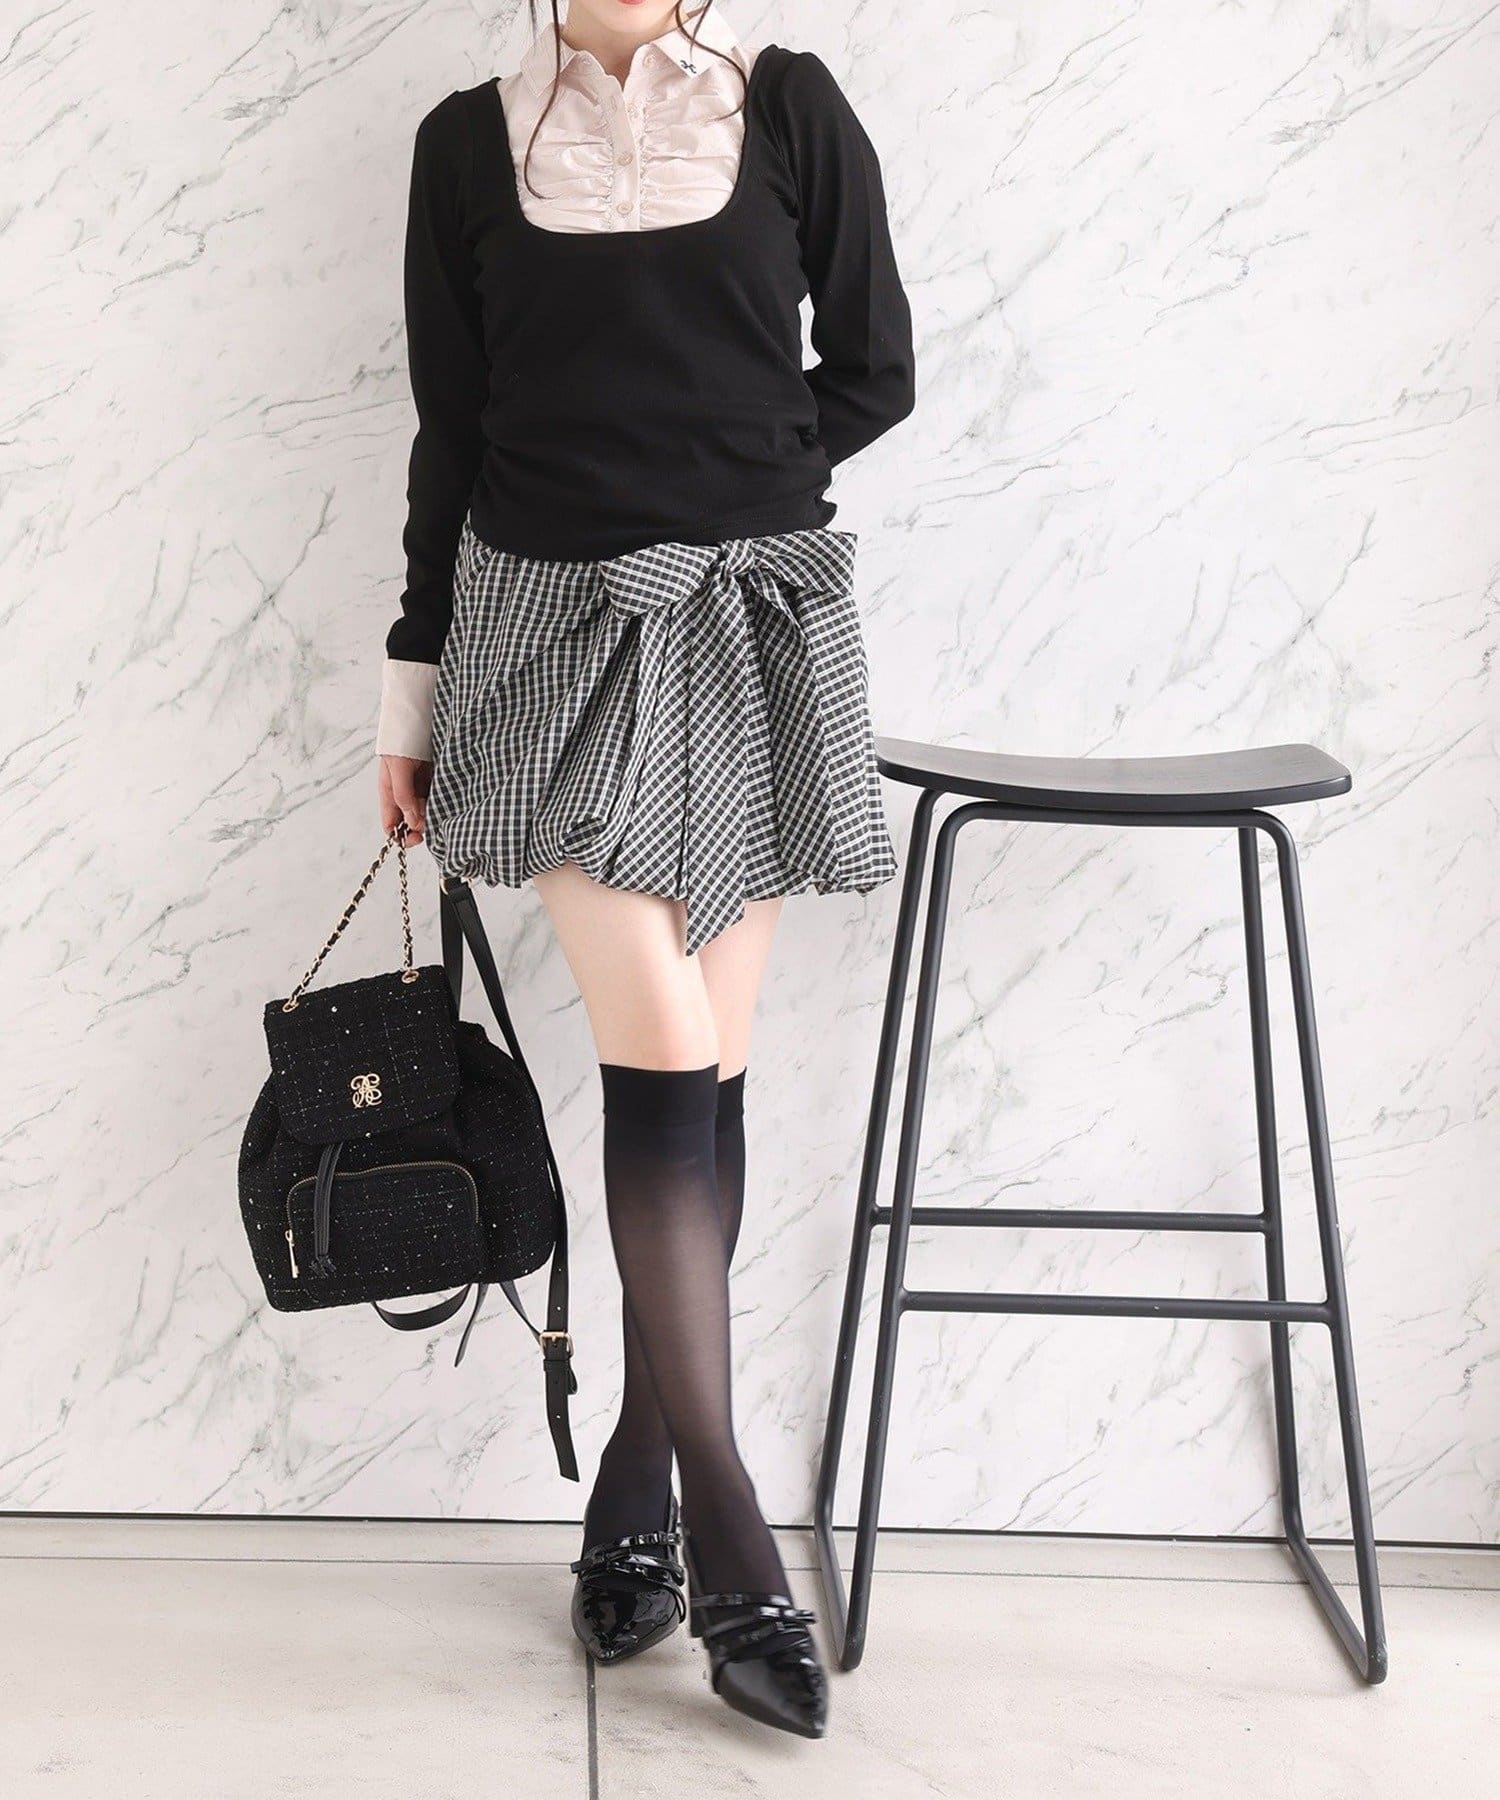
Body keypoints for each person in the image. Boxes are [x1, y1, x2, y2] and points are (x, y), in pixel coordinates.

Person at [376, 0, 915, 1740]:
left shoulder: (793, 106)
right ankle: (741, 1550)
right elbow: (453, 437)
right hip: (544, 635)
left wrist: (729, 482)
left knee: (710, 1076)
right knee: (666, 1059)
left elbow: (877, 366)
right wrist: (410, 694)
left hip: (751, 622)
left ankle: (633, 1490)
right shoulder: (466, 141)